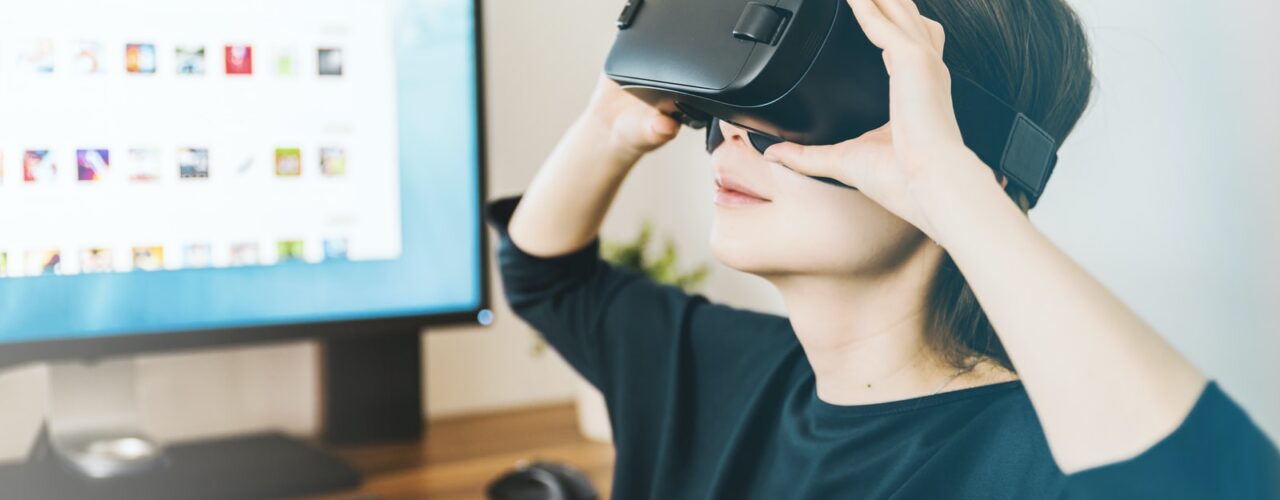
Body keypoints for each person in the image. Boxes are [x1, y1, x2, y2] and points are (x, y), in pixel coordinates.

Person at [486, 0, 1280, 497]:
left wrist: (953, 189)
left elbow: (1213, 484)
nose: (735, 130)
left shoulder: (1029, 463)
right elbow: (545, 279)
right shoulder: (714, 370)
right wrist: (609, 126)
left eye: (794, 103)